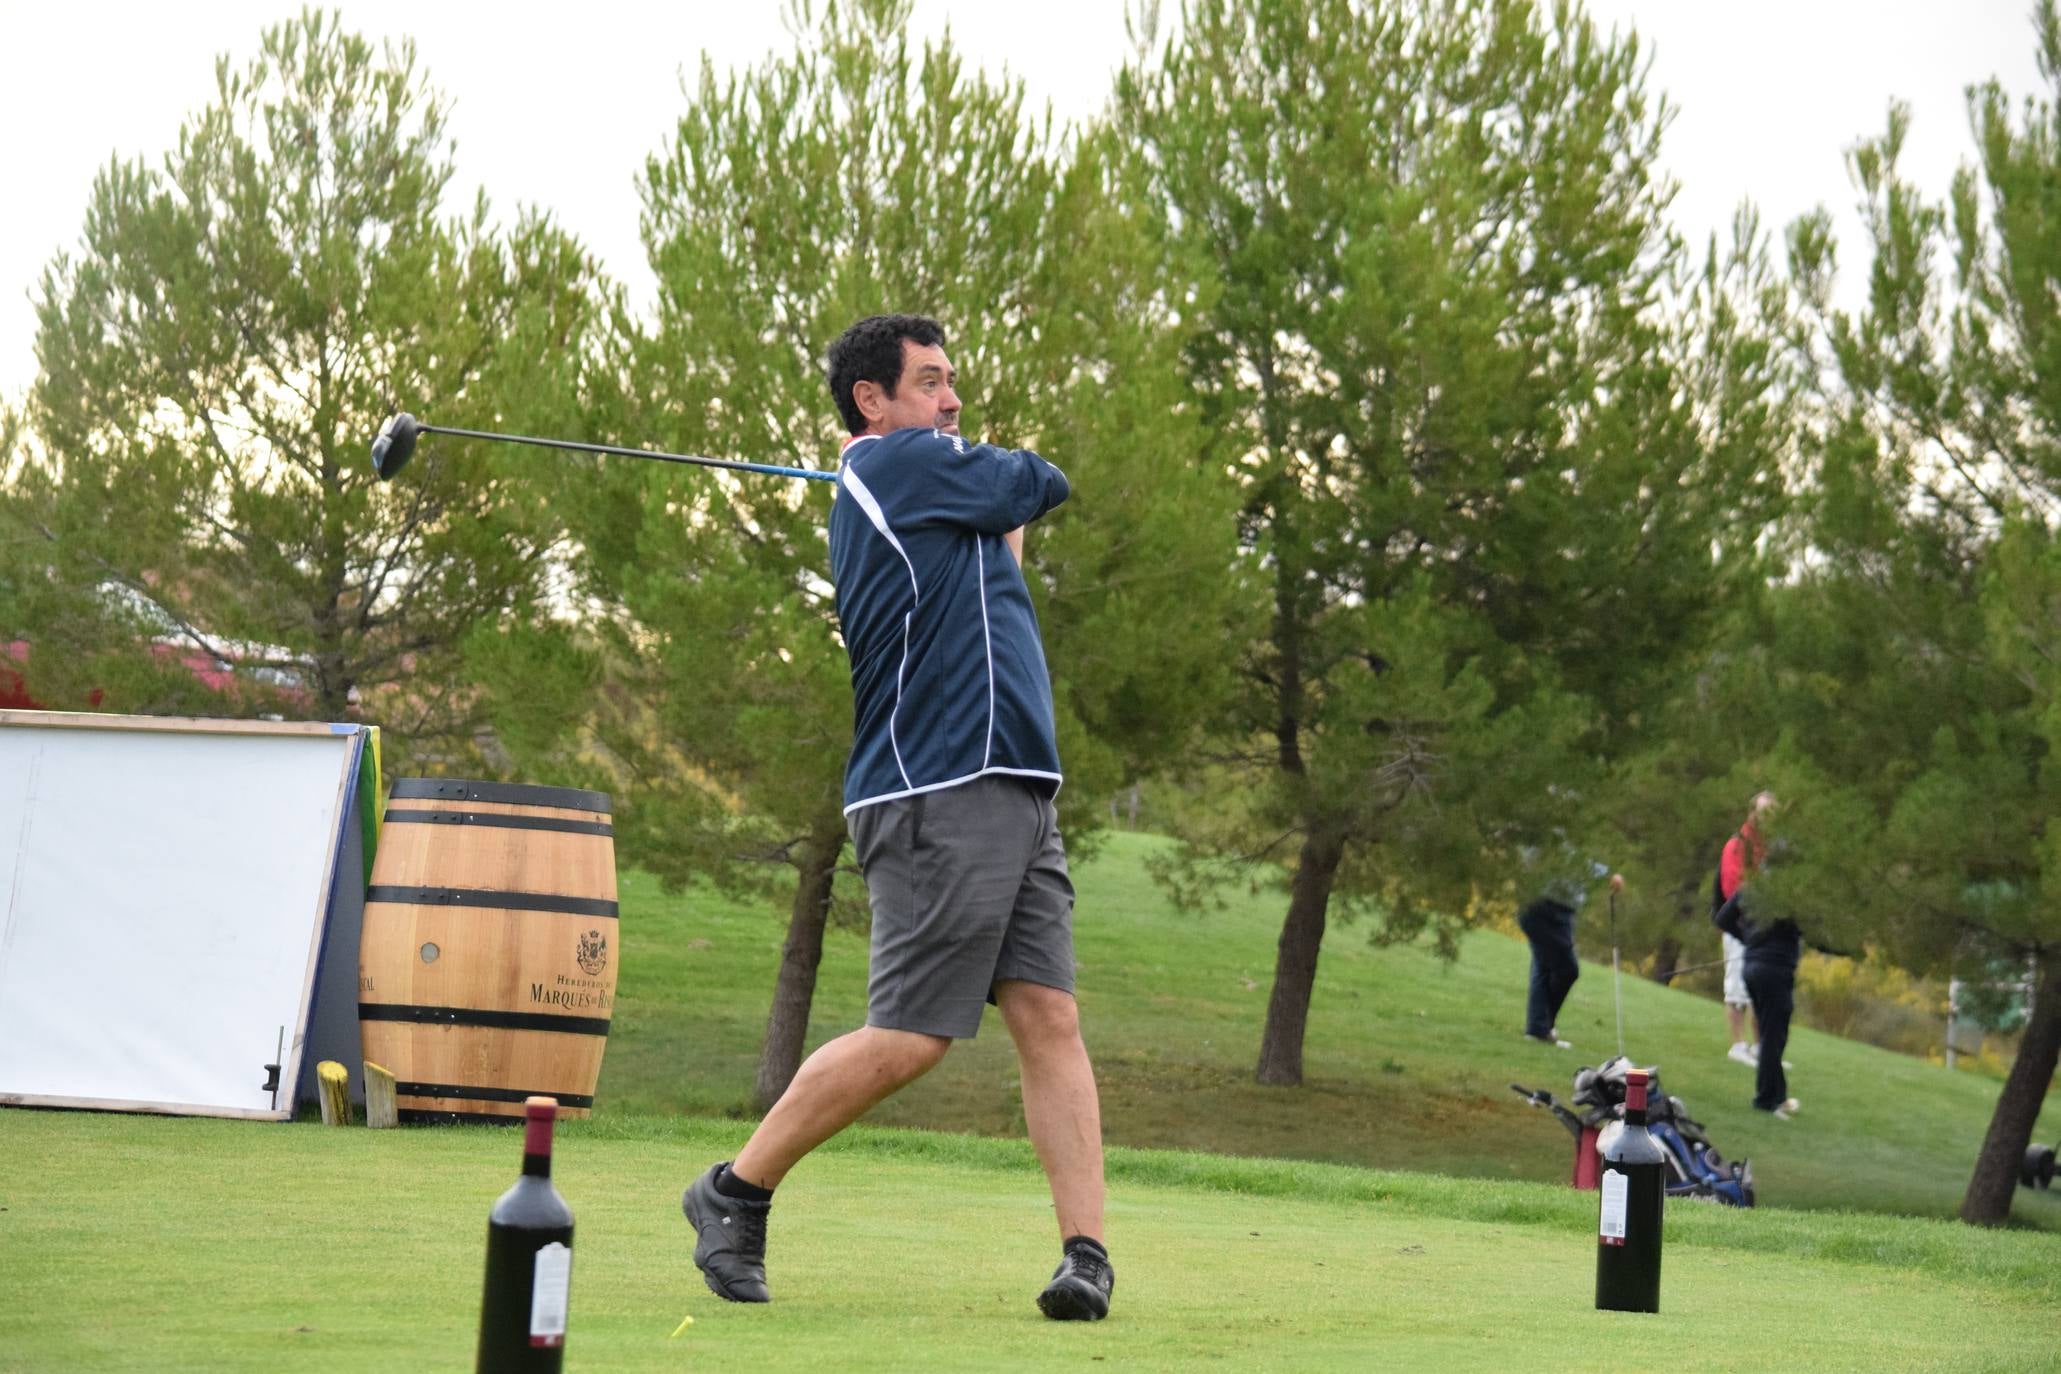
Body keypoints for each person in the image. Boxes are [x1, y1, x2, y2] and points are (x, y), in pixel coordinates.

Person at [680, 314, 1114, 1321]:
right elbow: (1037, 481)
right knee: (914, 1035)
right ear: (872, 401)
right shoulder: (897, 465)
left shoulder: (927, 488)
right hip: (937, 785)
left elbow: (1007, 523)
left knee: (1050, 1014)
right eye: (929, 382)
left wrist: (993, 503)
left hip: (1016, 783)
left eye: (952, 381)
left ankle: (1085, 1256)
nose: (951, 398)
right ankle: (734, 1189)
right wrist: (983, 473)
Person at [1712, 792, 1801, 1119]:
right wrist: (1748, 936)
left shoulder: (1763, 878)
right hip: (1765, 957)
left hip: (1755, 956)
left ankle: (1777, 1095)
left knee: (1769, 1031)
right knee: (1768, 1028)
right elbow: (1729, 896)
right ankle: (1766, 1097)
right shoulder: (1741, 848)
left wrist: (1749, 938)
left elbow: (1723, 914)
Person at [1518, 862, 1624, 1049]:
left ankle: (1538, 1029)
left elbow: (1582, 862)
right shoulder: (1554, 839)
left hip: (1563, 912)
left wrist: (1606, 874)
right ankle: (1539, 1027)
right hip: (1543, 908)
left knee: (1544, 967)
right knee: (1567, 970)